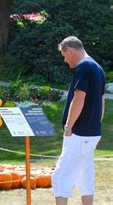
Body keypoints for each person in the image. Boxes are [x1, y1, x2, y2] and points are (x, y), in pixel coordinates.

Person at [52, 36, 106, 205]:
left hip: (78, 133)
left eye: (64, 55)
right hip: (92, 133)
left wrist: (69, 126)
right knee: (85, 175)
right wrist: (96, 122)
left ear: (70, 50)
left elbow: (79, 98)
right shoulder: (98, 68)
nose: (65, 60)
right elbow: (102, 100)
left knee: (61, 177)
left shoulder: (83, 67)